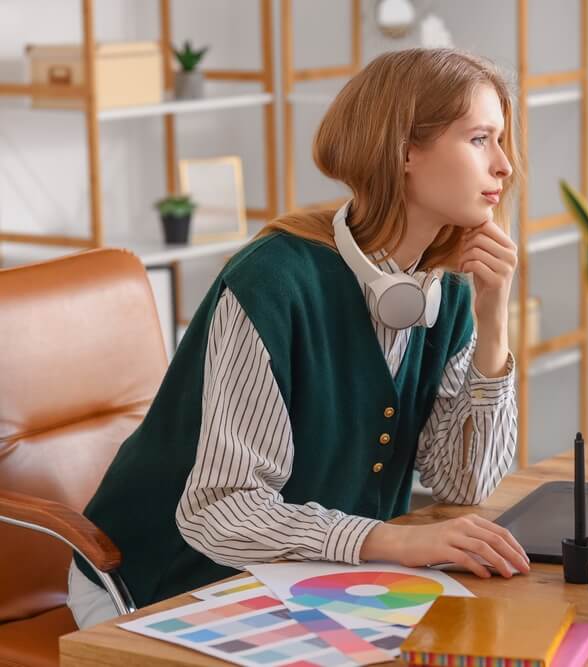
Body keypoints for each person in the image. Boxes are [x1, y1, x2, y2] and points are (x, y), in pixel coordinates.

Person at [67, 47, 530, 630]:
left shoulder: (448, 291)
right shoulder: (272, 282)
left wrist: (494, 324)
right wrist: (392, 541)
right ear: (405, 151)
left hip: (306, 578)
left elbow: (462, 483)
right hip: (165, 586)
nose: (505, 166)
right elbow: (222, 511)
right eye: (481, 139)